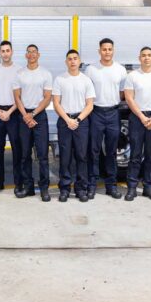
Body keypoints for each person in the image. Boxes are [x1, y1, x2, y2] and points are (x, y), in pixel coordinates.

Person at [123, 46, 151, 201]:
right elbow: (129, 98)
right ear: (139, 58)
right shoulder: (133, 76)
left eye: (149, 55)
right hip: (137, 118)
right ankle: (132, 188)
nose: (146, 58)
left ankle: (149, 186)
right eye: (143, 55)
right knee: (135, 155)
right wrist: (142, 117)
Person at [83, 38, 126, 199]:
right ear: (99, 51)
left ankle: (111, 186)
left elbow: (122, 93)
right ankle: (91, 185)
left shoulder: (120, 70)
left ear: (113, 50)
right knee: (93, 151)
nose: (107, 52)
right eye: (104, 49)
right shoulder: (91, 69)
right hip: (96, 113)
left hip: (114, 113)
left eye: (109, 49)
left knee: (111, 152)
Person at [53, 49, 95, 202]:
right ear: (66, 62)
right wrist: (67, 120)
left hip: (81, 121)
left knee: (82, 156)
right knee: (65, 156)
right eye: (69, 59)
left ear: (79, 61)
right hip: (65, 121)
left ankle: (81, 188)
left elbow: (90, 105)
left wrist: (77, 120)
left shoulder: (86, 80)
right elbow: (56, 103)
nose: (72, 61)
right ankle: (64, 188)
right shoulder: (59, 79)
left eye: (75, 58)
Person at [13, 44, 53, 201]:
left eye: (34, 52)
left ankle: (44, 189)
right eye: (29, 52)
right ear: (25, 56)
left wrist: (33, 114)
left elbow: (47, 97)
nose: (31, 55)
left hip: (40, 116)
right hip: (23, 117)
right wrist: (26, 116)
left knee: (43, 155)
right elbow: (17, 97)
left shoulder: (45, 74)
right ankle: (28, 188)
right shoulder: (19, 74)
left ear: (38, 55)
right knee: (24, 155)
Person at [0, 40, 22, 194]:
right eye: (3, 51)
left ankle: (18, 183)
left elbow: (21, 96)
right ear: (0, 53)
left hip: (14, 113)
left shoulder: (19, 70)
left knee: (17, 150)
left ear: (12, 52)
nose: (5, 53)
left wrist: (9, 112)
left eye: (8, 50)